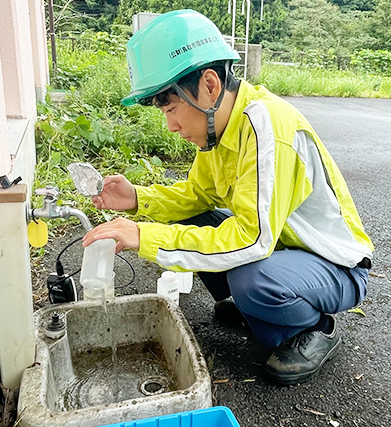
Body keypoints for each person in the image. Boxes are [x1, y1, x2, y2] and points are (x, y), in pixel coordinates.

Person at [81, 9, 374, 386]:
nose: (171, 126)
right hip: (283, 250)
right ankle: (260, 309)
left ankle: (318, 327)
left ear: (209, 84)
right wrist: (136, 199)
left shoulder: (266, 126)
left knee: (255, 282)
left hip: (335, 265)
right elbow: (195, 197)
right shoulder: (217, 130)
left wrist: (143, 236)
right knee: (198, 228)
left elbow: (253, 239)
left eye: (171, 108)